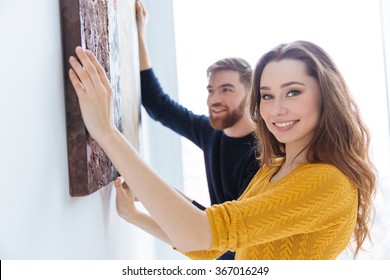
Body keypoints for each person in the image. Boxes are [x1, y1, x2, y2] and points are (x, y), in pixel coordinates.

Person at [68, 40, 376, 259]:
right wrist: (135, 214)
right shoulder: (274, 169)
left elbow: (200, 232)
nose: (277, 109)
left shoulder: (327, 183)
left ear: (325, 96)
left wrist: (106, 133)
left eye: (293, 92)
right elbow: (210, 247)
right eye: (267, 96)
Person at [135, 0, 259, 260]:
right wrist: (139, 35)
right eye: (211, 90)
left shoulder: (261, 154)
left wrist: (154, 193)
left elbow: (223, 231)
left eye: (226, 89)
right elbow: (157, 104)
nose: (214, 98)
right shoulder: (209, 132)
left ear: (251, 96)